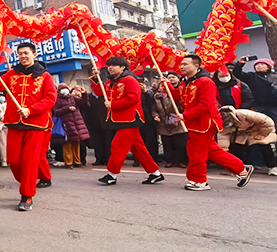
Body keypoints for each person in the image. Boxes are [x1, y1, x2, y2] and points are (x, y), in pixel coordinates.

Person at [0, 42, 56, 211]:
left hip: (36, 124)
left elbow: (50, 99)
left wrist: (31, 110)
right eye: (20, 54)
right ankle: (27, 181)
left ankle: (27, 195)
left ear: (34, 54)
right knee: (14, 160)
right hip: (15, 122)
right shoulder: (12, 73)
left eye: (26, 53)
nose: (23, 56)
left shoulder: (44, 76)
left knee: (30, 161)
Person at [172, 54, 253, 190]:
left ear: (196, 66)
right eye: (182, 64)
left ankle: (200, 180)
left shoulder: (205, 82)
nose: (182, 67)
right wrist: (166, 85)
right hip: (194, 122)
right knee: (210, 150)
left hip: (204, 122)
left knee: (196, 151)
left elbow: (206, 104)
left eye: (186, 64)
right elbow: (177, 96)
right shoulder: (186, 82)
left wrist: (185, 115)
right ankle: (241, 169)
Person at [90, 56, 164, 185]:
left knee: (117, 146)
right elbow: (99, 91)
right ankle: (155, 173)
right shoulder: (112, 81)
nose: (110, 68)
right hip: (120, 119)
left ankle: (112, 174)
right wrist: (96, 78)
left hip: (130, 119)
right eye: (109, 65)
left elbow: (133, 98)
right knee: (138, 149)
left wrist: (113, 105)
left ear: (123, 67)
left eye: (114, 65)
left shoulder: (130, 79)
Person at [233, 57, 277, 154]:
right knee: (258, 127)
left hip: (274, 106)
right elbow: (237, 73)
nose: (259, 66)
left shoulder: (276, 77)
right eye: (257, 64)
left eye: (262, 64)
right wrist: (240, 64)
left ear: (269, 67)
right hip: (259, 105)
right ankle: (262, 151)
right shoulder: (252, 76)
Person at [218, 106, 277, 176]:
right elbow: (222, 135)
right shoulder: (222, 122)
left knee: (264, 145)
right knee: (236, 147)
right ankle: (238, 168)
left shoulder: (245, 114)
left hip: (258, 130)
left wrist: (263, 134)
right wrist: (223, 150)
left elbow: (267, 121)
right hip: (241, 132)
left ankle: (272, 167)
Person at [155, 72, 188, 168]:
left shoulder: (182, 89)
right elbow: (154, 108)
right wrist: (156, 115)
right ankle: (169, 160)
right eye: (169, 78)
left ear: (178, 79)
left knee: (180, 142)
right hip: (164, 120)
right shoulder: (158, 94)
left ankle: (181, 160)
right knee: (167, 143)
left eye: (173, 77)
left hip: (178, 119)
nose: (171, 79)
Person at [53, 84, 90, 168]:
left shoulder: (72, 98)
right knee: (67, 144)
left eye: (66, 88)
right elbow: (56, 112)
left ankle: (77, 161)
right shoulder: (57, 100)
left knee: (76, 143)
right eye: (62, 89)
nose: (65, 90)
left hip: (76, 123)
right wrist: (67, 109)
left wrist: (84, 94)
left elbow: (83, 102)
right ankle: (69, 162)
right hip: (66, 124)